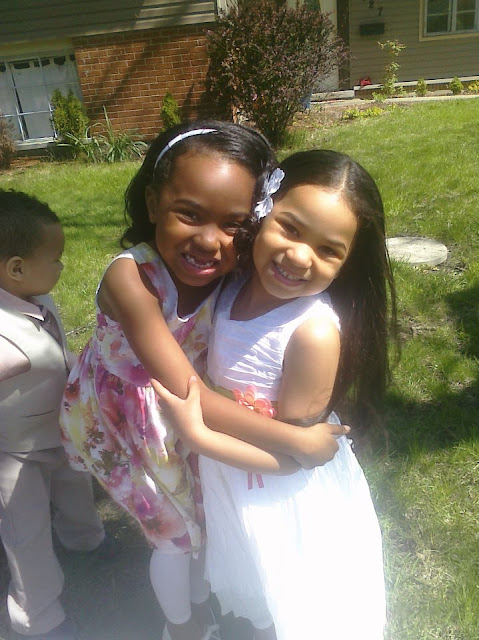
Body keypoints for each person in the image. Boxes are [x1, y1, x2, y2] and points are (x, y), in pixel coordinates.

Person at [59, 123, 349, 640]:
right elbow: (185, 388)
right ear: (153, 203)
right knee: (173, 537)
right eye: (189, 214)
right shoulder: (131, 279)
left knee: (201, 520)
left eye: (234, 224)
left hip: (182, 415)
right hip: (127, 418)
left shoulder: (228, 273)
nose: (210, 241)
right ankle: (182, 627)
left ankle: (199, 600)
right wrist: (296, 441)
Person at [152, 149, 398, 640]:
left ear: (346, 263)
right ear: (261, 212)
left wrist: (199, 438)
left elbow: (295, 459)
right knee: (253, 580)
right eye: (290, 228)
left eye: (329, 250)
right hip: (232, 476)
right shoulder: (233, 284)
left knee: (293, 596)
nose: (300, 257)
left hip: (279, 496)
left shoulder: (312, 334)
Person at [0, 190, 107, 640]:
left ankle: (86, 540)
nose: (62, 266)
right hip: (15, 453)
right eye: (56, 258)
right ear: (16, 268)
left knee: (76, 488)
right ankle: (37, 616)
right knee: (25, 535)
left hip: (60, 430)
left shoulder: (38, 299)